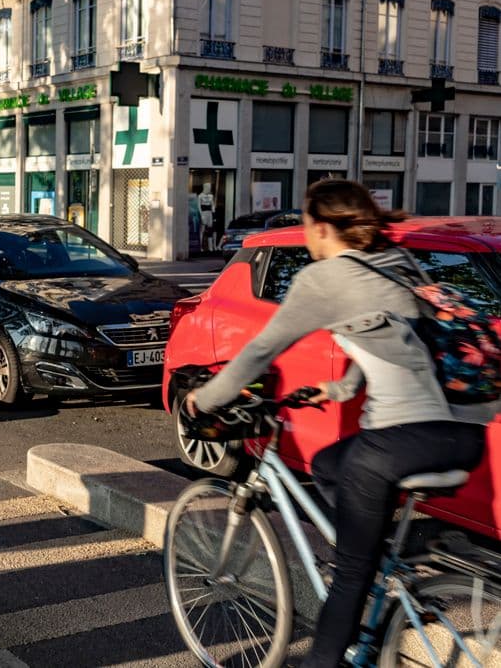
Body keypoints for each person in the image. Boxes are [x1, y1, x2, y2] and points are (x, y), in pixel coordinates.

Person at [185, 179, 487, 668]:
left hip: (401, 443)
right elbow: (398, 337)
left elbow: (262, 350)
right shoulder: (396, 261)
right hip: (461, 436)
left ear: (322, 227)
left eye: (306, 225)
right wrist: (342, 389)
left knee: (350, 576)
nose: (304, 234)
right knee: (327, 462)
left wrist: (206, 398)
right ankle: (374, 552)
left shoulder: (325, 278)